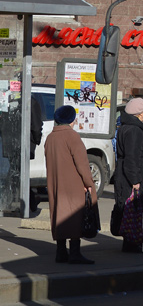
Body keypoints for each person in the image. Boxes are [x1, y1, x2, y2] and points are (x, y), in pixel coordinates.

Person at [44, 105, 97, 264]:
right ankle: (75, 253)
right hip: (73, 184)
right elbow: (82, 163)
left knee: (59, 215)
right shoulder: (72, 136)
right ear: (71, 120)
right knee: (75, 216)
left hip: (55, 183)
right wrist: (88, 183)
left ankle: (61, 252)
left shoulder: (50, 137)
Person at [114, 97, 143, 253]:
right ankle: (132, 243)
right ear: (140, 114)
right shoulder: (135, 130)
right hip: (130, 177)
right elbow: (132, 158)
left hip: (123, 174)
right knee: (133, 209)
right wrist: (135, 180)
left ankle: (129, 242)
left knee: (128, 210)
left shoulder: (125, 127)